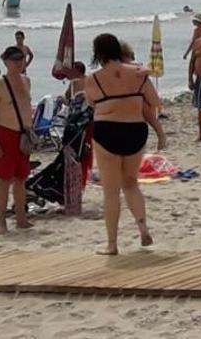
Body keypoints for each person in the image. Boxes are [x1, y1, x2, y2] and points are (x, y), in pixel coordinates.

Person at [84, 34, 166, 255]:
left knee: (111, 191)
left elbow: (91, 103)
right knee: (131, 183)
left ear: (98, 53)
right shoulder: (139, 74)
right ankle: (142, 228)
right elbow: (156, 103)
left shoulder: (93, 79)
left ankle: (112, 244)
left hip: (107, 131)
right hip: (135, 130)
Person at [0, 46, 33, 235]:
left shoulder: (26, 81)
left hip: (24, 135)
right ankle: (0, 221)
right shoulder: (0, 84)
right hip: (5, 134)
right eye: (15, 60)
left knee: (21, 179)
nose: (19, 63)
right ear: (5, 62)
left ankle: (21, 219)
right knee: (4, 180)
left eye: (21, 59)